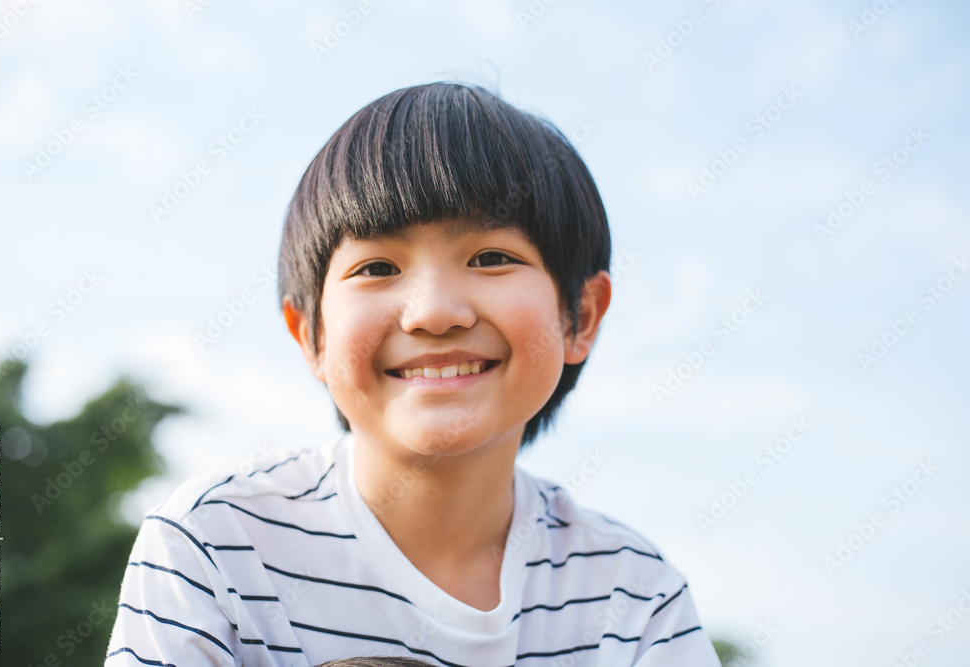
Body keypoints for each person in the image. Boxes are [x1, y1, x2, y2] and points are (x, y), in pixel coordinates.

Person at [104, 82, 721, 666]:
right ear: (309, 335)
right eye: (377, 267)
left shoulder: (636, 596)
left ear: (579, 316)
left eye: (492, 257)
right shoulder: (213, 544)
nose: (434, 313)